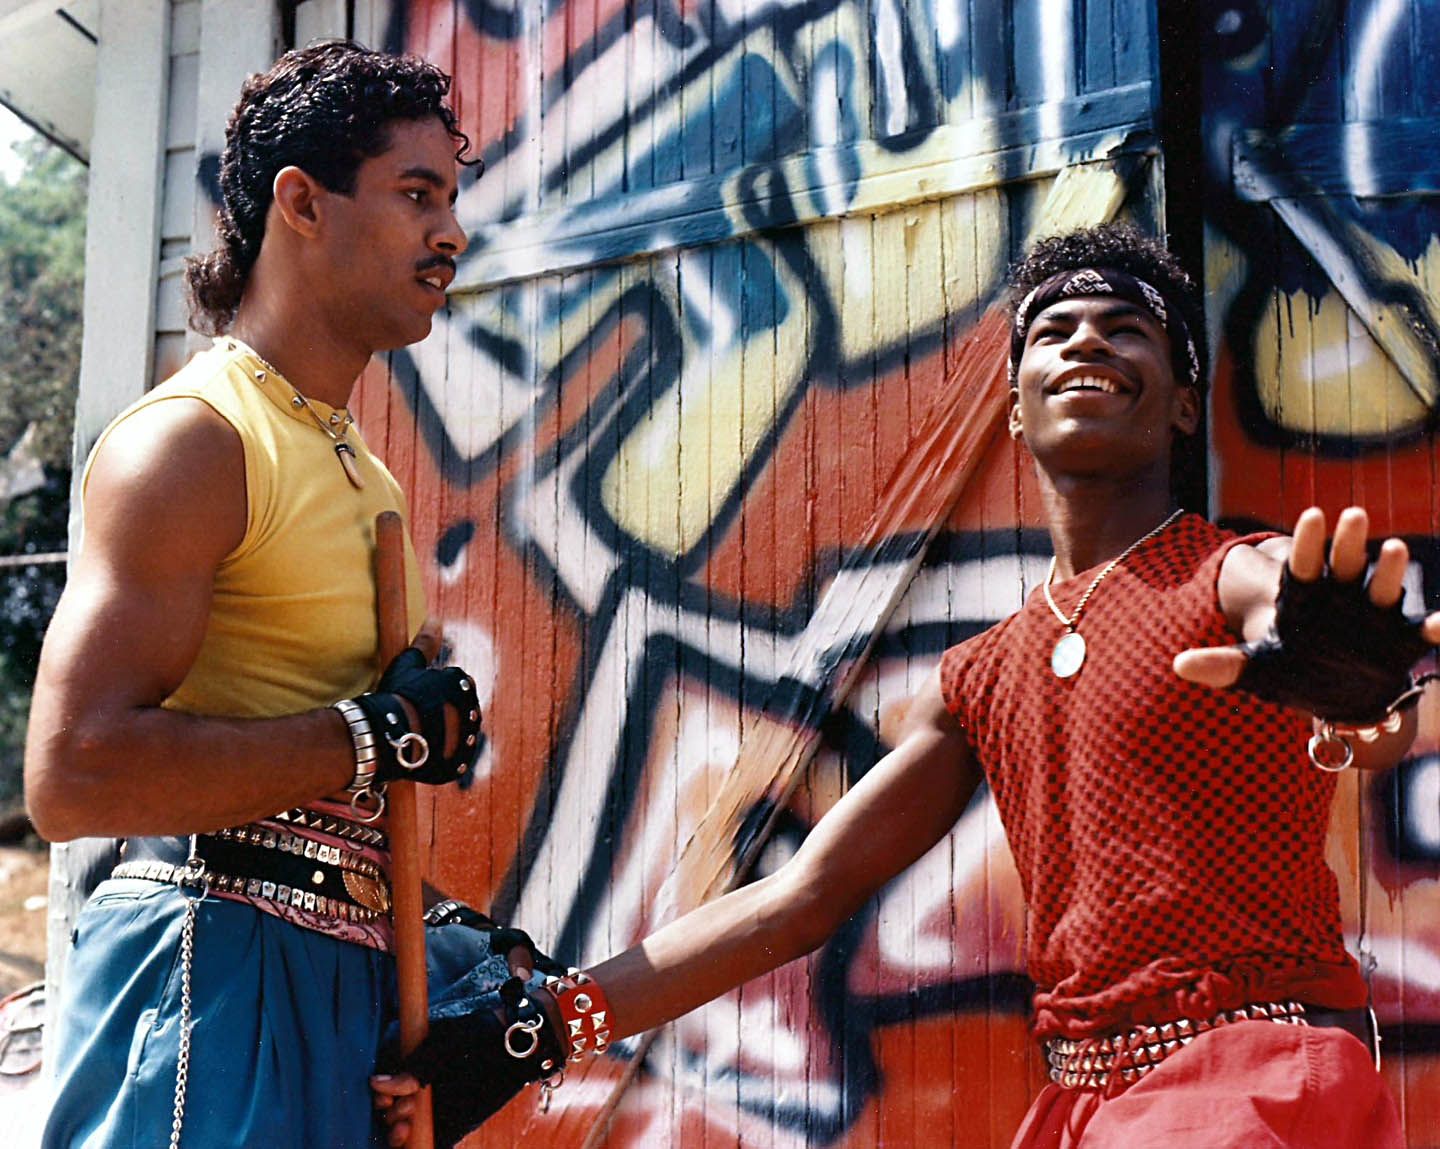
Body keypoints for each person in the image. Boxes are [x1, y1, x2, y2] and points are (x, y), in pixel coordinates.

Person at [373, 223, 1440, 1148]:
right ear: (1014, 408)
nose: (1087, 344)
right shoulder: (982, 675)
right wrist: (545, 1024)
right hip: (1084, 1107)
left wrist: (1365, 696)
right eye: (1054, 331)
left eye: (1128, 330)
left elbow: (1362, 709)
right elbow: (799, 897)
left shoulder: (1234, 576)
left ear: (1183, 405)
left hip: (1252, 1076)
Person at [26, 40, 521, 1149]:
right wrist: (374, 735)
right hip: (208, 978)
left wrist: (468, 952)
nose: (451, 231)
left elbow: (336, 789)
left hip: (334, 990)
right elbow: (72, 775)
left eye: (452, 198)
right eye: (417, 194)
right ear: (302, 203)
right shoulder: (196, 440)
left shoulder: (365, 472)